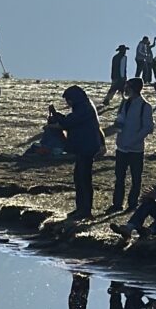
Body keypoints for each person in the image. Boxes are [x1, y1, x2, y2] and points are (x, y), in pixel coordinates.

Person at [55, 86, 104, 217]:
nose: (68, 103)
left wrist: (56, 115)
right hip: (84, 147)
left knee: (83, 179)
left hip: (86, 148)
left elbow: (69, 122)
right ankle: (81, 208)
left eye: (68, 100)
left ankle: (85, 210)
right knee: (79, 178)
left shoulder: (83, 107)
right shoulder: (85, 105)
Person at [111, 77, 156, 213]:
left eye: (128, 87)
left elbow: (148, 127)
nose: (126, 89)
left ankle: (132, 203)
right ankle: (117, 204)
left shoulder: (145, 106)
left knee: (136, 178)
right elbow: (121, 120)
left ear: (134, 88)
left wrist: (133, 140)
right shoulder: (125, 103)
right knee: (119, 177)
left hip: (135, 150)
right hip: (121, 148)